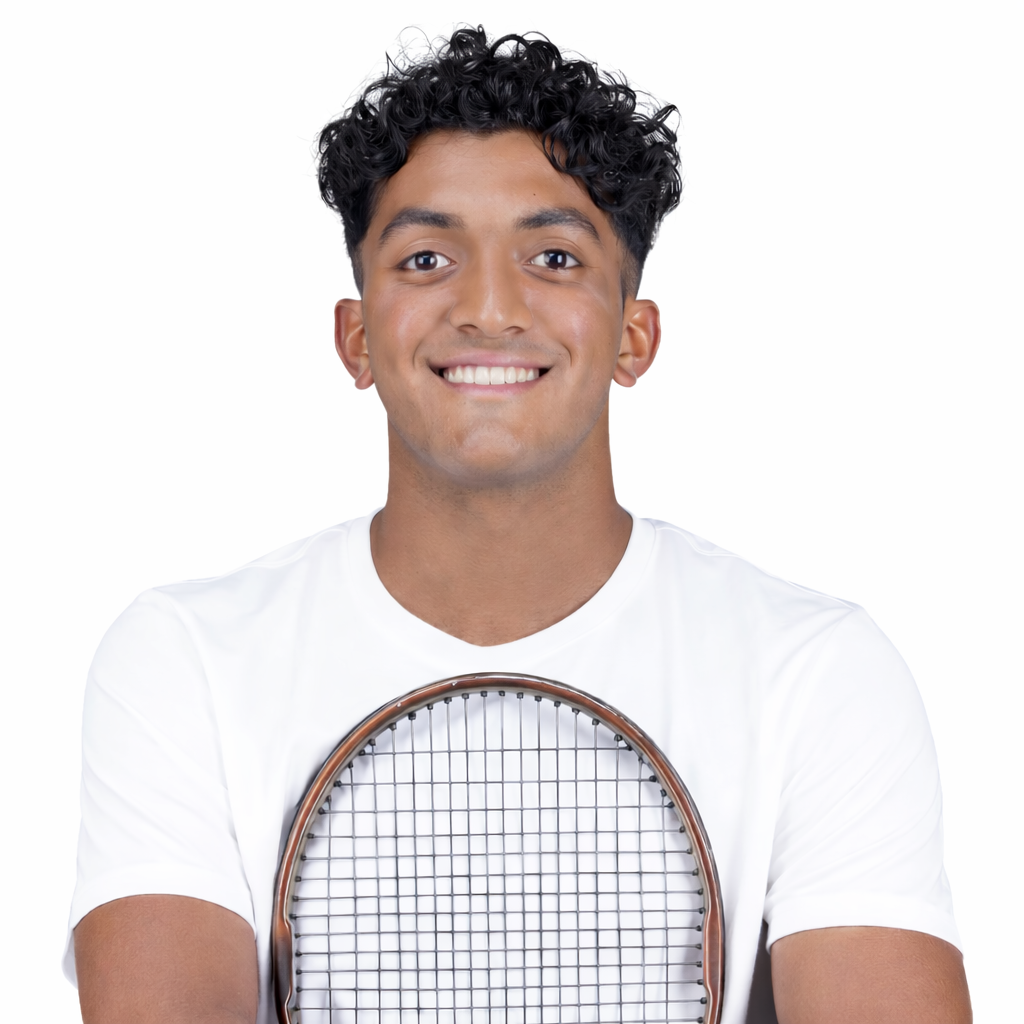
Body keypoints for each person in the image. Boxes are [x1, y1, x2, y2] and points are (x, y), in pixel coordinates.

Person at [67, 26, 971, 1024]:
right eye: (424, 257)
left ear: (634, 336)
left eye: (551, 256)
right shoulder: (185, 658)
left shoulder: (816, 670)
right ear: (355, 337)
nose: (489, 307)